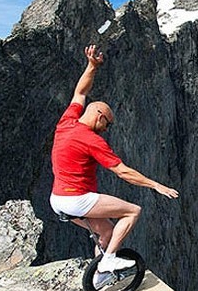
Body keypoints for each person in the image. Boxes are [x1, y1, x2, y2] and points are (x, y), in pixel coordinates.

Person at [50, 45, 179, 277]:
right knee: (132, 212)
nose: (106, 129)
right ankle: (108, 260)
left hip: (57, 199)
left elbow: (80, 93)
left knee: (106, 232)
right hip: (76, 199)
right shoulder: (92, 140)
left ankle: (98, 279)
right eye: (107, 124)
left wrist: (91, 67)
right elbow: (123, 172)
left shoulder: (66, 122)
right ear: (100, 116)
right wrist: (156, 185)